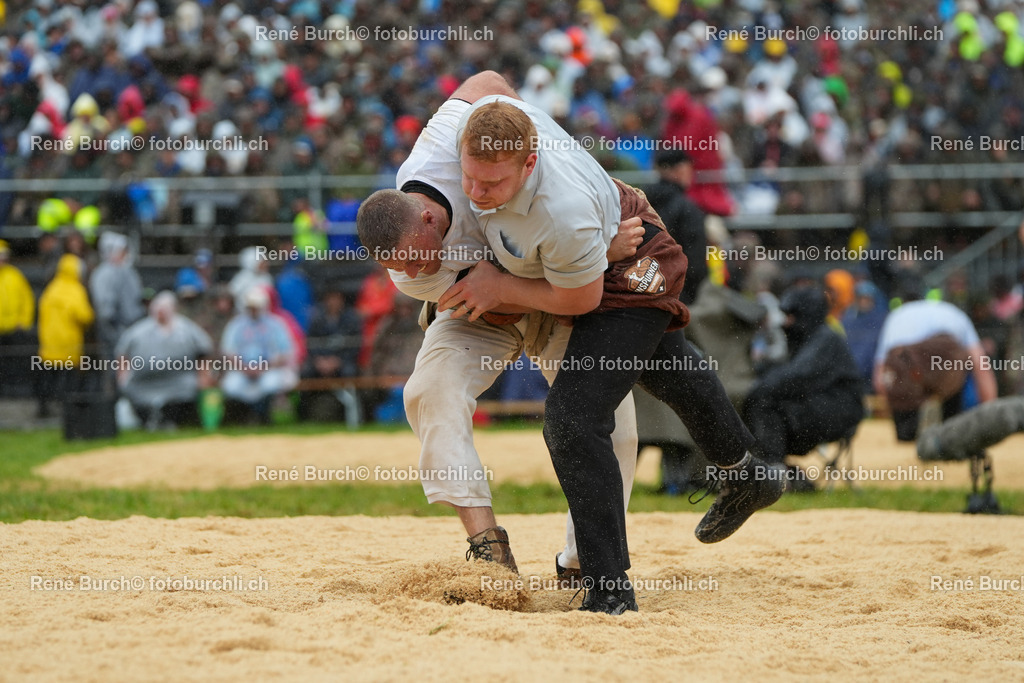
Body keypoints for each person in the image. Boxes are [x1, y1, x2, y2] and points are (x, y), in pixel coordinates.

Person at [438, 79, 784, 613]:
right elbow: (486, 82)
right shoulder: (473, 130)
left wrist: (502, 286)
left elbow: (579, 298)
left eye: (492, 182)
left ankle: (608, 588)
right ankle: (747, 474)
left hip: (635, 261)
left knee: (573, 419)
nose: (476, 192)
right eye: (469, 177)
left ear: (529, 163)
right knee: (663, 364)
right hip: (598, 242)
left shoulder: (562, 207)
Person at [357, 72, 644, 583]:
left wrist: (529, 141)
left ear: (427, 218)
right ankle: (487, 545)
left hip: (557, 288)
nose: (411, 272)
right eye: (397, 266)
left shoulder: (443, 149)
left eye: (415, 258)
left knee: (610, 419)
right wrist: (597, 253)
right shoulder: (408, 275)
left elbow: (487, 80)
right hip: (491, 308)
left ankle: (584, 562)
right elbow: (495, 308)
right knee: (429, 391)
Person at [743, 285, 865, 488]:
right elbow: (788, 374)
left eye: (791, 316)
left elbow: (797, 376)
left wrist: (758, 387)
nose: (786, 322)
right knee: (764, 402)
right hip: (824, 404)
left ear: (805, 315)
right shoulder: (808, 337)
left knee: (764, 404)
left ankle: (774, 474)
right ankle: (776, 471)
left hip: (841, 410)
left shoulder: (825, 338)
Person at [874, 279, 998, 441]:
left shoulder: (897, 316)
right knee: (952, 367)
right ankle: (949, 431)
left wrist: (892, 402)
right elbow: (980, 365)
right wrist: (990, 415)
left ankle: (907, 433)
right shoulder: (953, 312)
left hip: (910, 373)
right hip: (944, 370)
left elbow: (880, 375)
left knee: (906, 430)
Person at [114, 291, 213, 429]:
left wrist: (204, 376)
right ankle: (149, 420)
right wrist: (123, 377)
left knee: (187, 390)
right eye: (158, 307)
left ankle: (171, 421)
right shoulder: (137, 331)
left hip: (179, 382)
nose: (161, 311)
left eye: (165, 308)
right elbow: (122, 353)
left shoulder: (187, 329)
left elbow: (204, 351)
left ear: (173, 309)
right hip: (143, 383)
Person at [220, 287, 298, 423]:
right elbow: (228, 352)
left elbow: (286, 352)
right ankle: (242, 417)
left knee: (270, 385)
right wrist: (245, 368)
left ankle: (264, 416)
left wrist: (263, 367)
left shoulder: (276, 324)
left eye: (256, 307)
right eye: (250, 307)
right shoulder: (236, 325)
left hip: (270, 369)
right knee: (231, 386)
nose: (253, 310)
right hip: (242, 370)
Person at [36, 254, 94, 418]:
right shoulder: (76, 290)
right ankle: (69, 409)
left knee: (48, 377)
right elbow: (84, 316)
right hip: (69, 343)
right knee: (70, 380)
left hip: (48, 343)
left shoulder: (51, 288)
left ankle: (43, 408)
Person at [89, 232, 144, 362]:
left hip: (132, 328)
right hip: (116, 331)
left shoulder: (128, 271)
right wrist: (115, 329)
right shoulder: (104, 274)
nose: (127, 254)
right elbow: (105, 310)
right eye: (122, 251)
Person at [0, 240, 36, 393]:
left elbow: (27, 299)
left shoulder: (15, 275)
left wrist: (24, 321)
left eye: (4, 256)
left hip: (15, 327)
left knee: (15, 362)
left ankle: (15, 390)